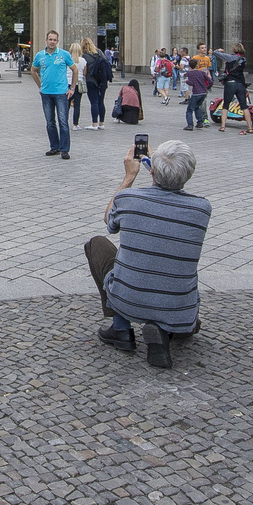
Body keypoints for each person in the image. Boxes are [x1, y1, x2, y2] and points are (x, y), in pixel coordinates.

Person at [85, 141, 212, 368]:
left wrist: (129, 177)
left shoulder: (130, 199)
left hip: (130, 299)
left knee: (97, 245)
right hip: (180, 309)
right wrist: (159, 167)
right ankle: (163, 329)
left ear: (151, 170)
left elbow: (109, 221)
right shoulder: (201, 208)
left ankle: (121, 327)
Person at [30, 30, 78, 160]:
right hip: (46, 93)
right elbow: (33, 70)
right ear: (46, 40)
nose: (52, 42)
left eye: (54, 40)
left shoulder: (64, 54)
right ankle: (54, 146)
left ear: (57, 41)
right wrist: (40, 86)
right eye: (50, 39)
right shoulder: (40, 55)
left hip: (61, 93)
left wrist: (72, 87)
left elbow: (75, 69)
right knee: (50, 122)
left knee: (63, 121)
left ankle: (65, 149)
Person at [217, 44, 249, 131]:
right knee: (244, 106)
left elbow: (216, 53)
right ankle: (250, 127)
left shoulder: (230, 57)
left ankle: (223, 126)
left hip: (230, 83)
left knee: (226, 105)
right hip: (240, 83)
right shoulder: (243, 59)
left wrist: (219, 50)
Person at [83, 38, 112, 130]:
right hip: (102, 81)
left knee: (94, 102)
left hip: (91, 80)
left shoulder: (84, 56)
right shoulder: (100, 53)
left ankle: (94, 124)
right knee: (101, 102)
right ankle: (101, 123)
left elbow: (85, 71)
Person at [182, 60, 212, 130]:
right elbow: (210, 81)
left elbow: (191, 83)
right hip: (203, 93)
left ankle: (190, 125)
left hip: (196, 93)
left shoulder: (190, 73)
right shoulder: (202, 72)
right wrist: (207, 88)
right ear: (197, 65)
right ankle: (200, 122)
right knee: (197, 107)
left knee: (189, 109)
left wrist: (186, 81)